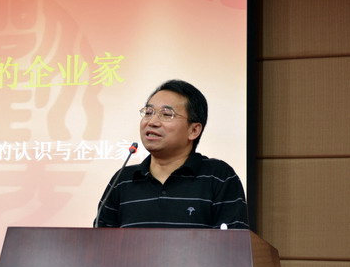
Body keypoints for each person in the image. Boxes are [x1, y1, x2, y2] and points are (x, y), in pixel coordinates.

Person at [95, 79, 249, 229]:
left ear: (193, 130)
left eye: (166, 114)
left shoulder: (218, 177)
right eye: (148, 112)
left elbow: (232, 242)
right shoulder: (122, 180)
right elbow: (100, 241)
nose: (152, 122)